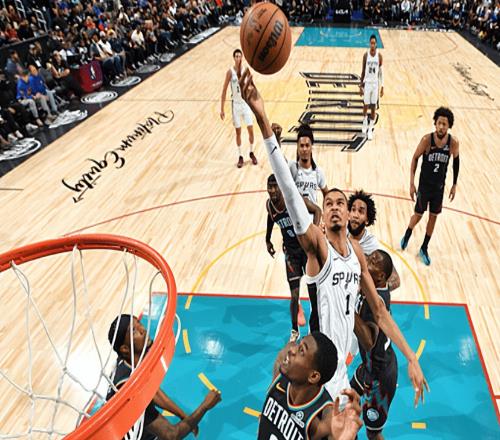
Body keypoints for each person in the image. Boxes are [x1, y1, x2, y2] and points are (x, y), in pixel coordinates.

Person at [239, 68, 428, 408]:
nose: (337, 206)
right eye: (330, 204)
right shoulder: (317, 247)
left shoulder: (356, 256)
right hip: (315, 369)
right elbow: (289, 189)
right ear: (323, 217)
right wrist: (262, 118)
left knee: (345, 426)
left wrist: (411, 357)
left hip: (340, 368)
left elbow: (380, 311)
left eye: (342, 202)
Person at [107, 314, 221, 439]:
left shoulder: (129, 362)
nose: (143, 329)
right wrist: (205, 406)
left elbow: (154, 393)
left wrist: (183, 415)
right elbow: (171, 435)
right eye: (134, 330)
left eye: (139, 323)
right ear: (125, 349)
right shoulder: (129, 388)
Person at [259, 332, 363, 439]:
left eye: (301, 351)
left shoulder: (324, 417)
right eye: (298, 344)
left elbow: (336, 434)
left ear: (313, 376)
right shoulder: (280, 370)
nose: (292, 350)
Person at [400, 107, 460, 265]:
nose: (441, 127)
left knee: (433, 217)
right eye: (439, 123)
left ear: (449, 126)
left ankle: (424, 247)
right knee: (418, 215)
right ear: (435, 123)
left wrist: (454, 185)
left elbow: (456, 163)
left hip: (439, 188)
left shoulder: (453, 143)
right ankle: (407, 233)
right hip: (424, 187)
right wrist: (411, 183)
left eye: (444, 124)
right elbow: (415, 158)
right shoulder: (427, 140)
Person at [266, 173, 322, 342]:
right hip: (291, 253)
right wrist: (267, 239)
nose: (272, 190)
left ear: (281, 187)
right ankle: (294, 330)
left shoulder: (293, 200)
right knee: (294, 294)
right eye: (270, 187)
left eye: (275, 186)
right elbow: (271, 218)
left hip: (306, 250)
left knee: (314, 292)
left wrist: (315, 232)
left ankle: (316, 328)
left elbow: (317, 210)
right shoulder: (269, 206)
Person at [351, 250, 398, 440]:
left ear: (380, 276)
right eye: (370, 257)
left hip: (379, 376)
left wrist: (346, 307)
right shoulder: (374, 286)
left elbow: (369, 341)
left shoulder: (376, 302)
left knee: (373, 433)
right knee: (348, 400)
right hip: (370, 367)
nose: (367, 261)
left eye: (372, 262)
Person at [348, 190, 400, 291]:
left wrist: (366, 291)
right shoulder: (340, 230)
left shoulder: (371, 245)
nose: (355, 215)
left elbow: (395, 280)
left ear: (367, 220)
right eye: (353, 210)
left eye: (361, 212)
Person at [220, 49, 257, 168]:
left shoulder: (246, 70)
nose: (238, 58)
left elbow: (252, 86)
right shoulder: (230, 72)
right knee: (238, 132)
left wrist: (253, 101)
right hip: (235, 105)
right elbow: (224, 90)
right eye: (236, 56)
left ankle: (251, 152)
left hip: (245, 104)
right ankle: (240, 156)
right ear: (233, 58)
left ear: (242, 58)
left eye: (239, 56)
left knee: (251, 130)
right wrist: (222, 109)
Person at [359, 34, 383, 141]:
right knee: (365, 105)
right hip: (367, 83)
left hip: (375, 84)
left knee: (373, 107)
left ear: (376, 44)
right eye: (371, 43)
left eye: (374, 43)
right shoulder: (366, 55)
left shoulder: (379, 56)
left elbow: (381, 73)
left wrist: (382, 86)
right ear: (369, 44)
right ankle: (364, 121)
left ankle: (370, 129)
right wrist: (361, 85)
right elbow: (363, 71)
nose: (372, 45)